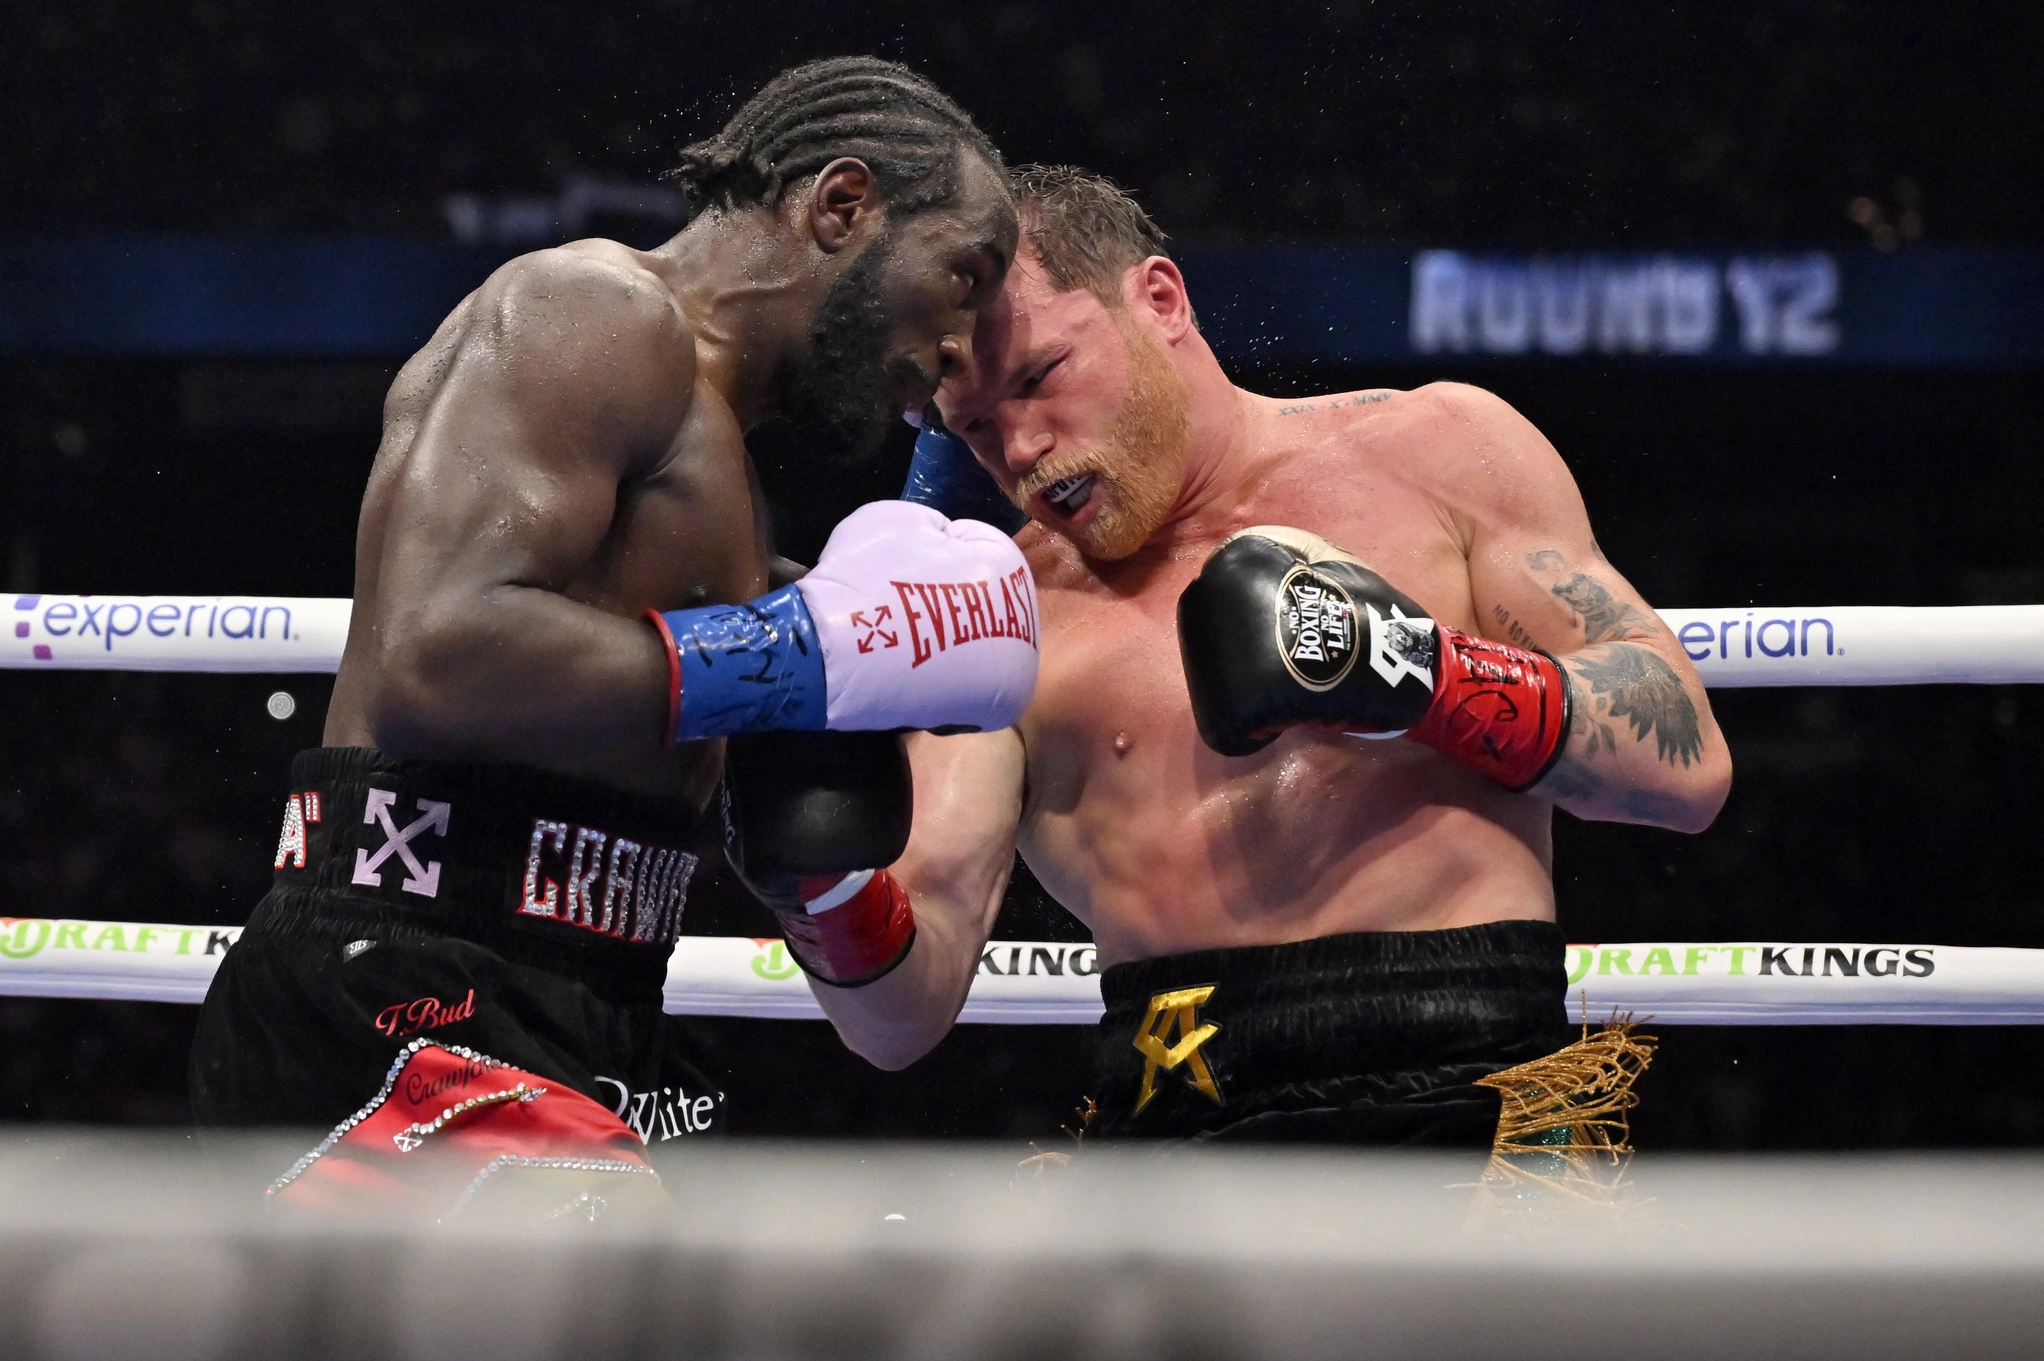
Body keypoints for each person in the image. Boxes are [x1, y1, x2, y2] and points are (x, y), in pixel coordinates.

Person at [189, 58, 1034, 1214]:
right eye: (961, 279)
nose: (961, 345)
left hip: (595, 999)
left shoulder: (720, 472)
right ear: (843, 205)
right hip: (407, 987)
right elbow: (439, 655)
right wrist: (790, 656)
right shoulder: (594, 311)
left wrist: (818, 666)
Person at [797, 166, 1731, 1150]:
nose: (1021, 448)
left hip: (1477, 1089)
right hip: (1177, 1133)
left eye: (1038, 378)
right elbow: (897, 1016)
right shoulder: (1001, 616)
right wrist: (814, 874)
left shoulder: (1439, 449)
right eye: (976, 426)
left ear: (1160, 300)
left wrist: (1415, 670)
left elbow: (1685, 765)